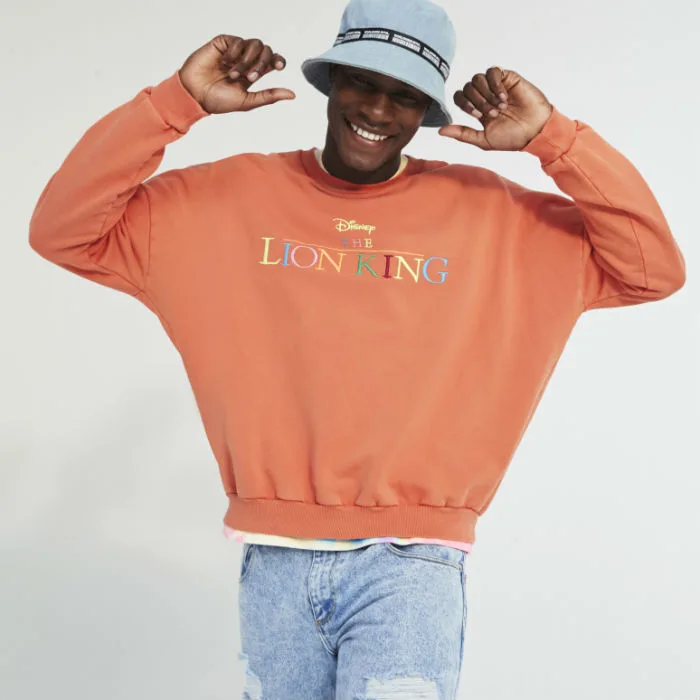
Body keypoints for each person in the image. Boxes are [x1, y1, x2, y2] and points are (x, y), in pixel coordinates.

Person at [28, 0, 686, 697]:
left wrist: (554, 139)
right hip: (274, 558)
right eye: (362, 82)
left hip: (411, 565)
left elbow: (651, 268)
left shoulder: (495, 217)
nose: (377, 109)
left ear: (426, 112)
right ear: (332, 81)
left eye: (405, 96)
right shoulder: (225, 198)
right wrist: (175, 103)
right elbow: (64, 230)